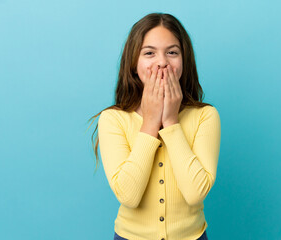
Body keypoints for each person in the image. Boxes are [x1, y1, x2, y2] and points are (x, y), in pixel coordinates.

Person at [87, 12, 221, 240]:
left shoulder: (205, 116)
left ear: (184, 61)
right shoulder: (113, 119)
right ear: (133, 64)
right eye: (149, 53)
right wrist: (150, 122)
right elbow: (128, 196)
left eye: (172, 52)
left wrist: (170, 122)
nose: (162, 62)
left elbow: (196, 193)